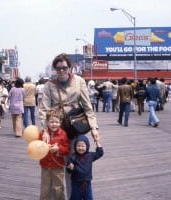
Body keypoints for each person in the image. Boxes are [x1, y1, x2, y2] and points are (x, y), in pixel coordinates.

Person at [39, 53, 100, 198]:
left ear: (70, 67)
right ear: (55, 69)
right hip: (56, 130)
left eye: (64, 68)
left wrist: (94, 128)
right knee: (55, 166)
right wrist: (45, 130)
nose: (61, 71)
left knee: (73, 166)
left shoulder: (79, 81)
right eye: (58, 68)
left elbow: (87, 106)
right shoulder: (49, 85)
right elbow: (44, 109)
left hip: (74, 129)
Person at [39, 109, 70, 200]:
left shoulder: (63, 134)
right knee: (45, 187)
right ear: (47, 122)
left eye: (56, 122)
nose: (54, 124)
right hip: (45, 165)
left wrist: (58, 149)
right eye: (51, 122)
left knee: (58, 187)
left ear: (60, 122)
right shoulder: (43, 134)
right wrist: (43, 144)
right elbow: (37, 148)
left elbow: (67, 149)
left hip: (58, 166)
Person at [67, 135, 104, 200]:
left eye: (83, 146)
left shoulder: (90, 155)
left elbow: (100, 153)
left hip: (87, 184)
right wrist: (70, 168)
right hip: (76, 184)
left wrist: (97, 142)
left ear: (87, 146)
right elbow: (69, 170)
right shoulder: (72, 157)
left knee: (89, 198)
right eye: (78, 146)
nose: (80, 148)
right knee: (75, 198)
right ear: (75, 147)